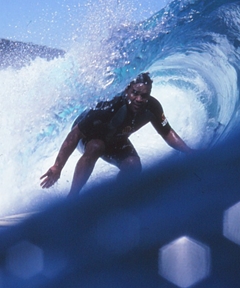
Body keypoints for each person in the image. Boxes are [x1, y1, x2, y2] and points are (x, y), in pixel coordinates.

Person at [40, 72, 193, 197]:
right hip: (87, 137)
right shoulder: (110, 105)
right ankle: (72, 197)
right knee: (96, 146)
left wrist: (189, 152)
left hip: (115, 139)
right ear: (127, 90)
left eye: (144, 96)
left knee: (133, 165)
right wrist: (57, 167)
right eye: (135, 93)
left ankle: (116, 198)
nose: (139, 99)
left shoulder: (152, 107)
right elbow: (74, 134)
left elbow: (167, 132)